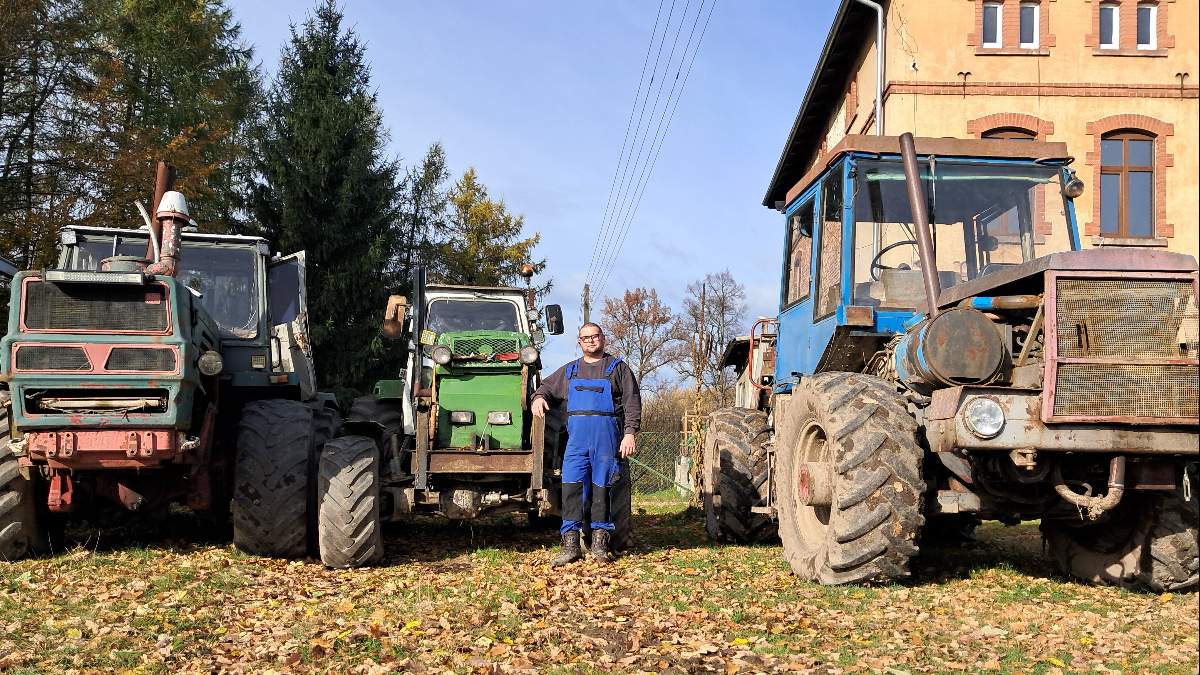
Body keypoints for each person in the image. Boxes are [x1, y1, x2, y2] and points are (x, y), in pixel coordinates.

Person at [532, 322, 640, 565]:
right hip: (576, 444)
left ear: (603, 338)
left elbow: (633, 402)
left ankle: (600, 545)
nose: (591, 340)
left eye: (595, 336)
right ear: (579, 342)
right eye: (585, 337)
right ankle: (570, 547)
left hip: (607, 442)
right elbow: (545, 388)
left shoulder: (618, 369)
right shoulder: (569, 371)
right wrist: (538, 397)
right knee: (571, 489)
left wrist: (630, 433)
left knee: (603, 490)